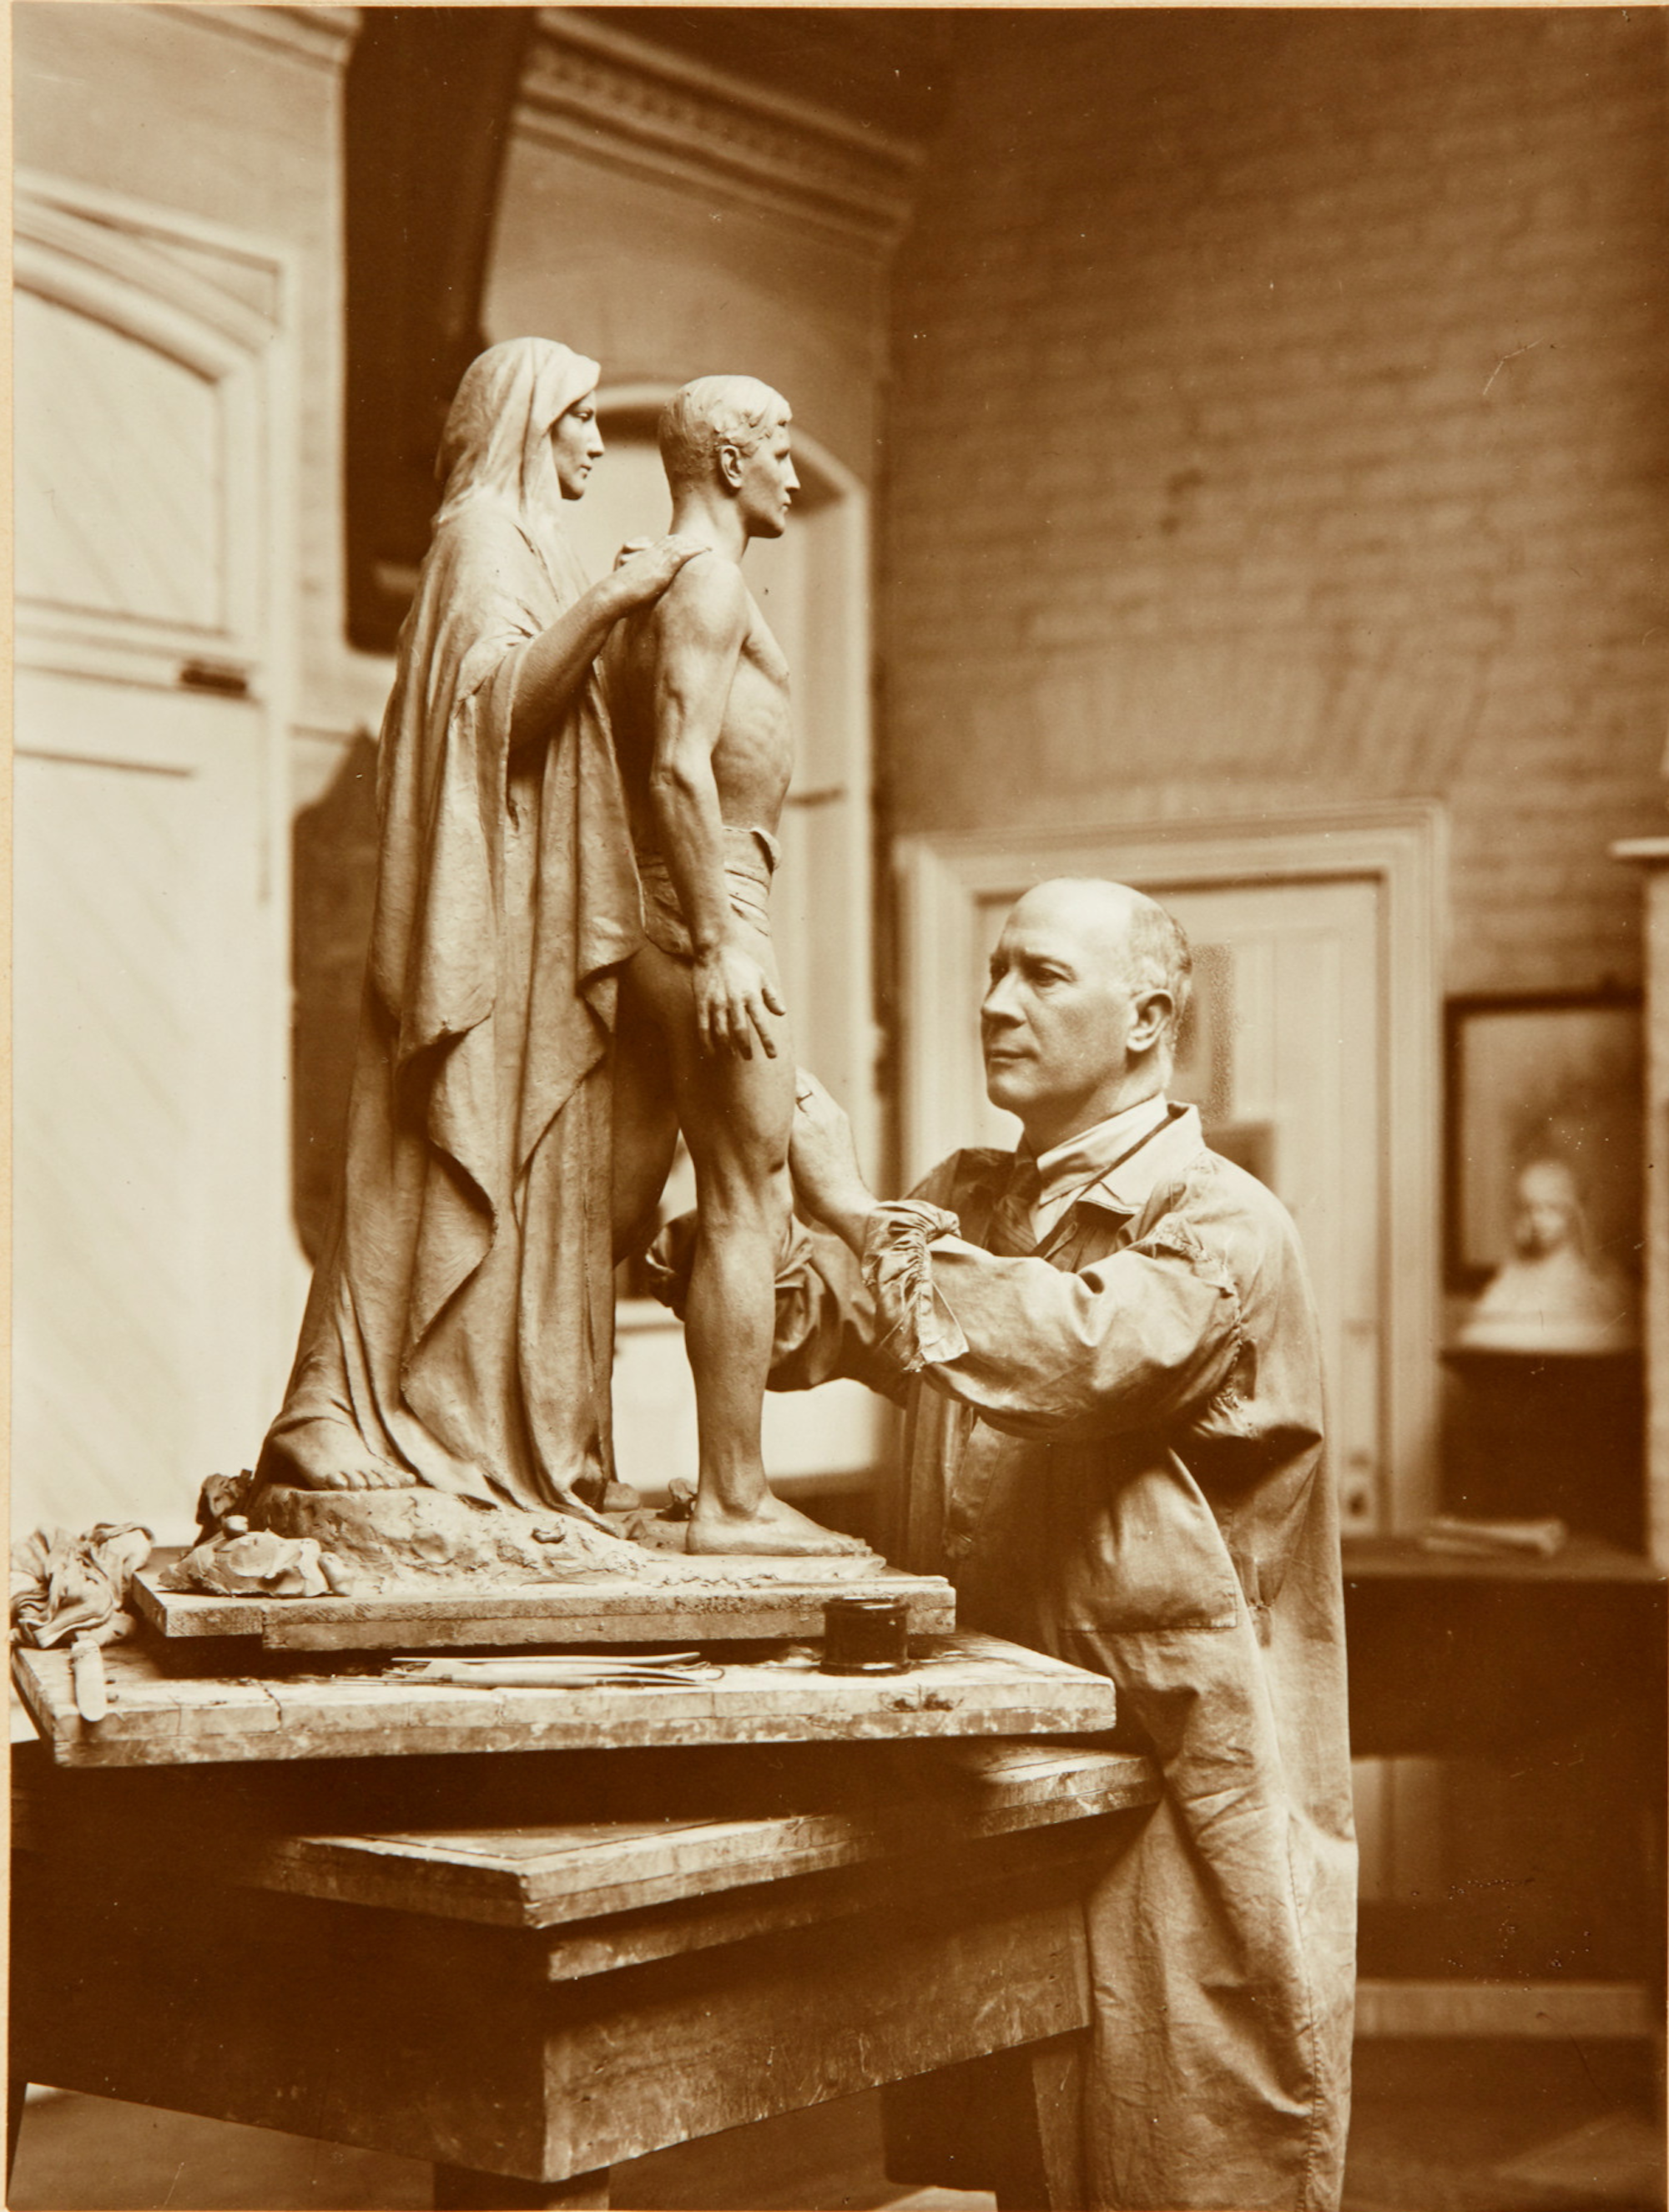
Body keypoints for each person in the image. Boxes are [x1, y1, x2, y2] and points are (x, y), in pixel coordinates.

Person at [658, 877, 1357, 2209]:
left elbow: (1076, 1352)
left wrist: (857, 1212)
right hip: (993, 1770)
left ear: (1148, 1016)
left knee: (1171, 2154)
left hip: (1165, 1785)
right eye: (993, 971)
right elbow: (825, 1324)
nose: (995, 1004)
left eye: (1041, 976)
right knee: (997, 2155)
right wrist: (714, 1185)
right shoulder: (971, 1199)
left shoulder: (1222, 1223)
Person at [258, 337, 698, 1520]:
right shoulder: (479, 543)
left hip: (530, 914)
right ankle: (342, 1406)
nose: (598, 443)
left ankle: (488, 1425)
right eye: (581, 420)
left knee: (525, 1157)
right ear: (522, 426)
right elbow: (494, 717)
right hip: (488, 919)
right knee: (439, 1144)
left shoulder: (523, 551)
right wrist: (611, 602)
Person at [604, 376, 865, 1556]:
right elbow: (673, 770)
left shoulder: (667, 578)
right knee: (749, 1200)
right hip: (705, 917)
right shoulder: (703, 581)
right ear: (723, 457)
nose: (795, 476)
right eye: (776, 450)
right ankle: (735, 1499)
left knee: (604, 1214)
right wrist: (720, 940)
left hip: (670, 920)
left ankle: (561, 1465)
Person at [1459, 1154, 1639, 1353]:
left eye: (1551, 1208)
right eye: (1530, 1208)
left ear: (1574, 1212)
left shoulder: (1603, 1284)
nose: (1537, 1220)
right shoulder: (1510, 1279)